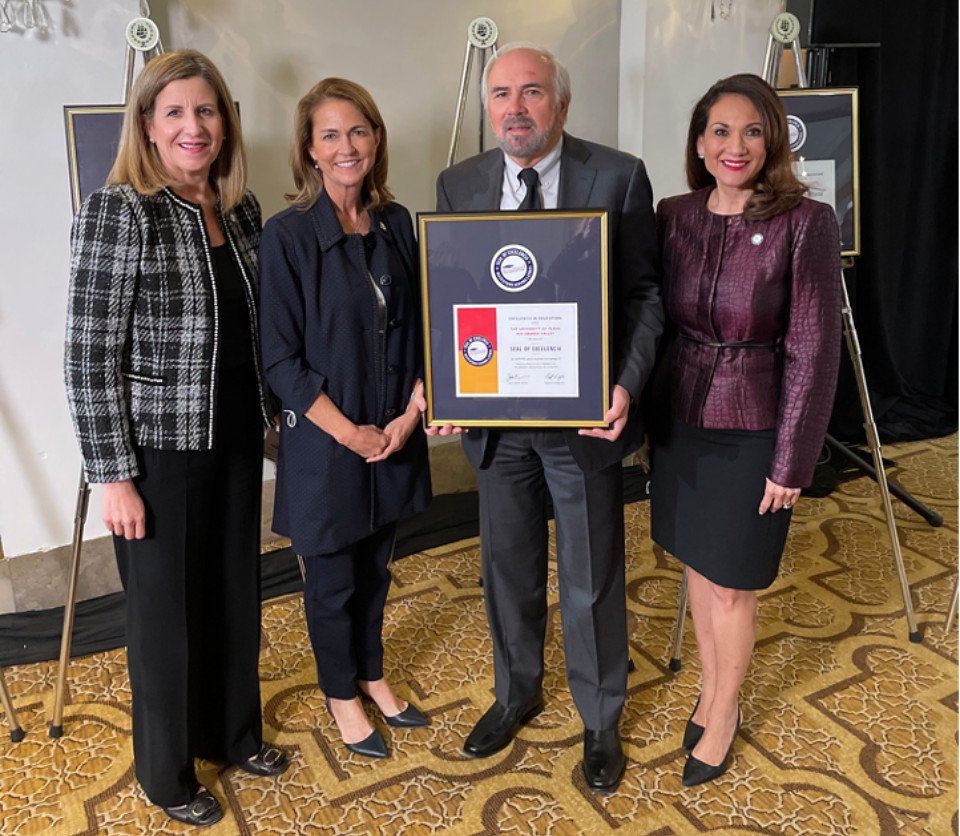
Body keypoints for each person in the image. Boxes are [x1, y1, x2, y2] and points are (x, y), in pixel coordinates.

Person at [64, 49, 288, 828]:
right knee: (165, 619)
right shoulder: (122, 210)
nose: (194, 127)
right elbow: (88, 355)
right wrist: (113, 476)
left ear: (225, 122)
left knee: (233, 597)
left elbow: (259, 330)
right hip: (156, 457)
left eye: (207, 111)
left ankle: (233, 734)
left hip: (231, 443)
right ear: (149, 128)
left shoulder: (244, 208)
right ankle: (166, 774)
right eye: (175, 113)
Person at [433, 43, 663, 792]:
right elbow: (453, 295)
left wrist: (625, 385)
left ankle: (600, 719)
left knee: (591, 575)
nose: (515, 109)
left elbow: (643, 297)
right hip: (498, 424)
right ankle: (516, 693)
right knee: (507, 571)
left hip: (584, 422)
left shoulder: (618, 175)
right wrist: (444, 385)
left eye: (532, 93)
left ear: (561, 105)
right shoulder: (460, 182)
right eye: (501, 94)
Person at [650, 73, 842, 787]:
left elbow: (815, 350)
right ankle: (710, 685)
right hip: (680, 419)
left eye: (753, 131)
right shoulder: (673, 213)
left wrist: (793, 458)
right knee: (700, 565)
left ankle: (723, 709)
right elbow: (656, 322)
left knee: (734, 584)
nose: (736, 146)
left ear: (773, 141)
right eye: (721, 132)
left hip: (755, 425)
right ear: (699, 143)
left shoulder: (806, 222)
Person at [259, 78, 432, 761]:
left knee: (377, 571)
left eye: (357, 130)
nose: (346, 145)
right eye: (329, 134)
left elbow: (421, 330)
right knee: (331, 583)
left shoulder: (396, 223)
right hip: (329, 444)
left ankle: (372, 672)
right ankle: (341, 693)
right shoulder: (290, 236)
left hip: (393, 436)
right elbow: (280, 360)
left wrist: (410, 417)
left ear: (377, 138)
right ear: (309, 149)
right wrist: (349, 432)